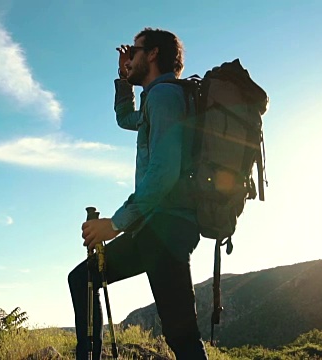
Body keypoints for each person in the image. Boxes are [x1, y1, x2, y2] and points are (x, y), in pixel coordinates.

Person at [68, 27, 208, 359]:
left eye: (135, 50)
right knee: (85, 281)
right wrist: (123, 78)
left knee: (182, 337)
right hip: (160, 229)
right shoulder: (159, 100)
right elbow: (124, 119)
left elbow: (162, 174)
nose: (129, 56)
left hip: (165, 229)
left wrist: (114, 224)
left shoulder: (164, 97)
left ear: (154, 54)